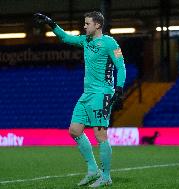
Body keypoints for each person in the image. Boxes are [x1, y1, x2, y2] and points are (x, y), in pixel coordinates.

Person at [34, 11, 126, 188]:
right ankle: (93, 170)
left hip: (102, 94)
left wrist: (119, 89)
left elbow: (121, 67)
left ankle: (106, 176)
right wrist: (51, 23)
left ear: (97, 25)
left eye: (87, 24)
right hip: (87, 94)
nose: (84, 26)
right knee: (75, 130)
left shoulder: (109, 42)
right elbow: (66, 38)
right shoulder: (85, 40)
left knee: (100, 135)